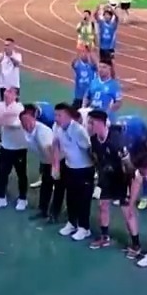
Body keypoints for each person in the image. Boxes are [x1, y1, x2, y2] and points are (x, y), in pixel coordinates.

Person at [87, 110, 141, 255]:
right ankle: (105, 237)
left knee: (127, 211)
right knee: (103, 205)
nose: (89, 126)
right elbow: (97, 159)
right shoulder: (94, 140)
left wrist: (129, 185)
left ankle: (136, 244)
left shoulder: (117, 140)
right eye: (89, 122)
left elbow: (129, 166)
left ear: (102, 123)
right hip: (107, 178)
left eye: (92, 123)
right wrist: (101, 175)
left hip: (123, 179)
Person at [52, 103, 95, 241]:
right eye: (55, 115)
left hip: (84, 169)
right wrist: (55, 166)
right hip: (69, 167)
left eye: (59, 115)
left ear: (69, 116)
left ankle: (84, 228)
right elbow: (56, 145)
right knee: (71, 197)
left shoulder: (78, 131)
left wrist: (94, 171)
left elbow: (89, 150)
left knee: (84, 200)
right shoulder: (57, 128)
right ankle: (72, 223)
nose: (56, 118)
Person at [0, 87, 30, 211]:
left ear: (16, 96)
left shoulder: (19, 108)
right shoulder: (0, 106)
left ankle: (23, 198)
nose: (7, 93)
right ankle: (0, 197)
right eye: (6, 91)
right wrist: (1, 118)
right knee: (2, 173)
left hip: (19, 147)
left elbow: (14, 124)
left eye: (11, 92)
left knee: (21, 174)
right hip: (6, 146)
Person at [21, 104, 58, 221]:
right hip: (46, 162)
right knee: (46, 186)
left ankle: (54, 214)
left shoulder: (42, 132)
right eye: (24, 122)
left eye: (29, 121)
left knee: (59, 188)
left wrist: (55, 169)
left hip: (57, 162)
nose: (27, 124)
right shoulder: (25, 130)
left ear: (34, 119)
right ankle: (43, 210)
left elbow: (51, 152)